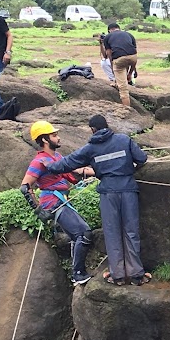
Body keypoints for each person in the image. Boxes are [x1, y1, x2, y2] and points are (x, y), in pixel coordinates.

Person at [46, 113, 149, 285]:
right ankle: (137, 275)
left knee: (112, 233)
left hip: (108, 194)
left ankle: (117, 276)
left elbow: (67, 163)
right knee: (131, 231)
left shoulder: (90, 149)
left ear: (93, 130)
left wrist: (48, 166)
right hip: (128, 190)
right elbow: (142, 158)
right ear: (107, 126)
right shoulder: (124, 140)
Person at [21, 121, 94, 286]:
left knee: (80, 235)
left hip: (62, 200)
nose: (58, 138)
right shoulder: (39, 162)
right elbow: (25, 187)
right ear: (45, 140)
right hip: (53, 202)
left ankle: (78, 272)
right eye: (54, 135)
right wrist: (39, 210)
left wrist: (104, 170)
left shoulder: (57, 158)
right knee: (83, 234)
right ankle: (78, 274)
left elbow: (76, 171)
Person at [100, 23, 138, 108]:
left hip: (119, 59)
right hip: (133, 57)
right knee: (127, 61)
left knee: (123, 90)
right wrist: (131, 73)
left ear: (109, 30)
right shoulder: (129, 34)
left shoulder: (108, 37)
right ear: (119, 28)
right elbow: (134, 53)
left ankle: (127, 109)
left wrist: (113, 65)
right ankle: (126, 79)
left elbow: (108, 55)